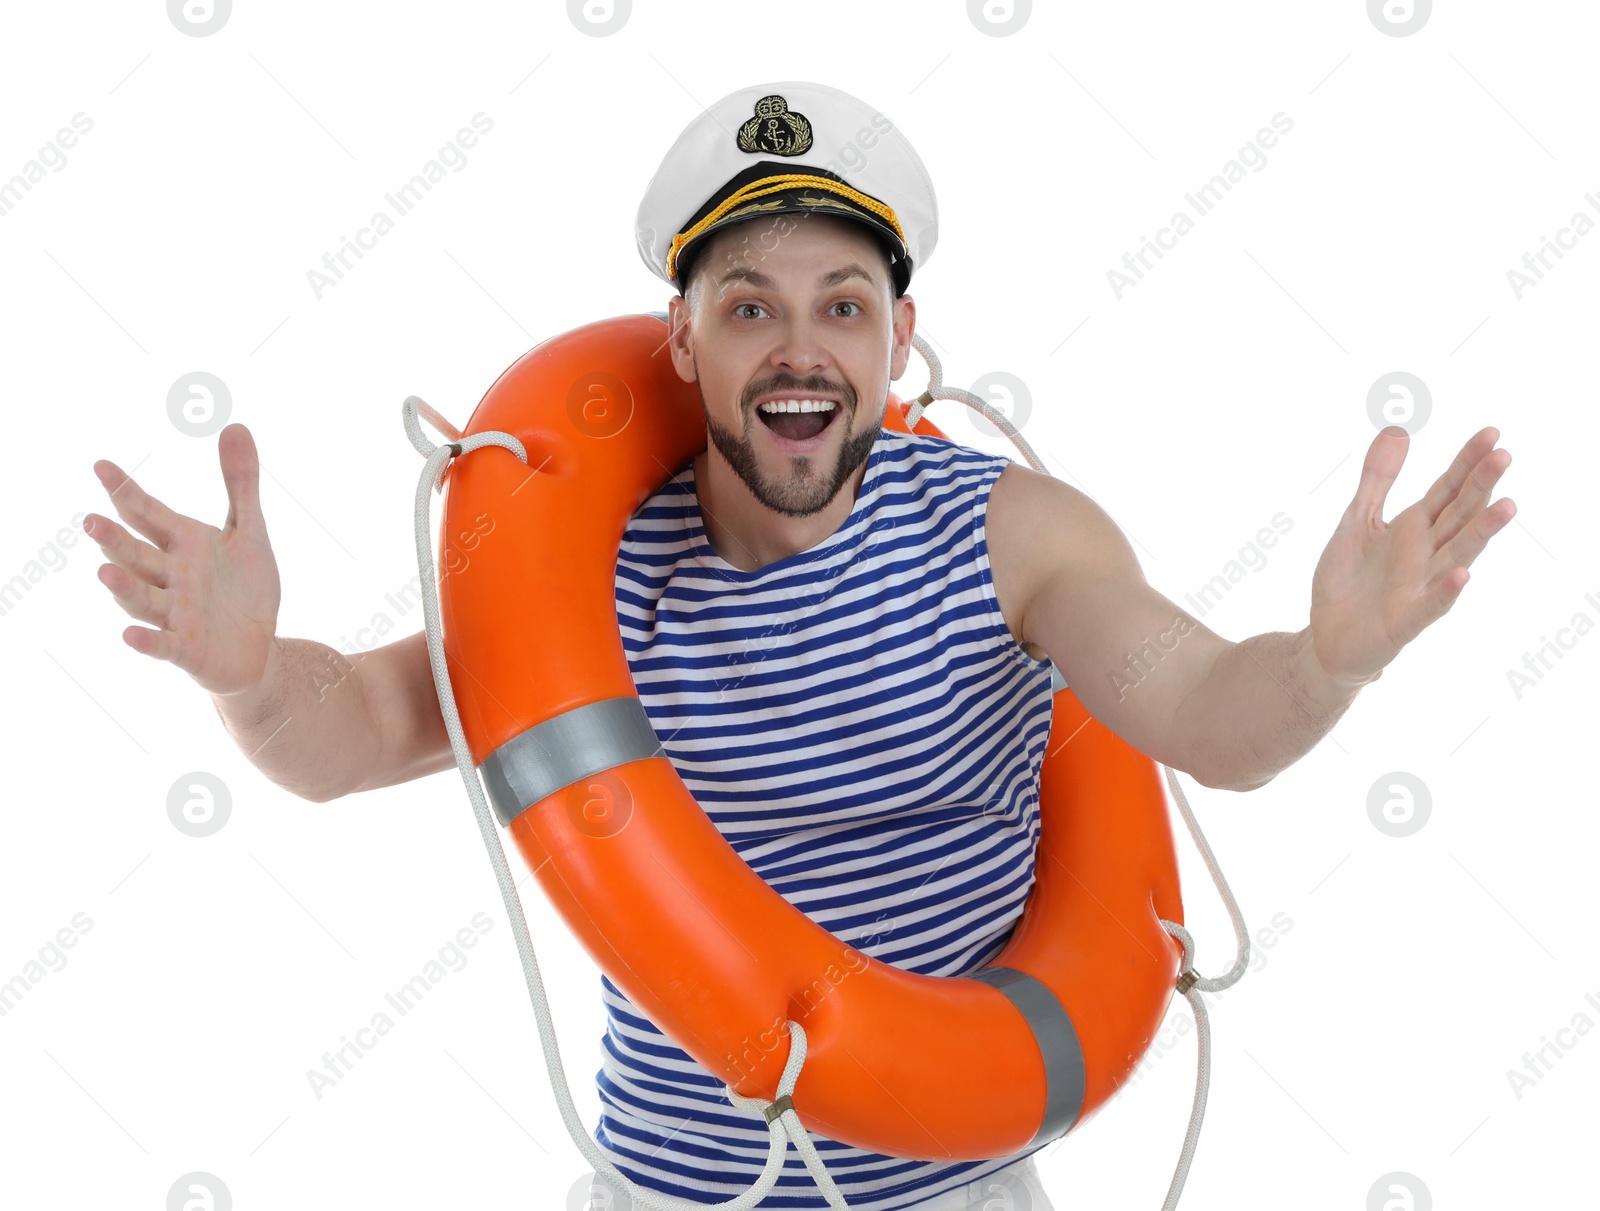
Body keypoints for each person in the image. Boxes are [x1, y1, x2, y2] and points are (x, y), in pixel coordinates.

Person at [82, 81, 1514, 1211]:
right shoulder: (591, 584)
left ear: (898, 342)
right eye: (749, 307)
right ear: (684, 341)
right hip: (670, 1196)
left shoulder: (1012, 539)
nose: (799, 349)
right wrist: (246, 673)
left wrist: (1329, 658)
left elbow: (1206, 711)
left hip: (956, 1185)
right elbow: (346, 741)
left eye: (842, 307)